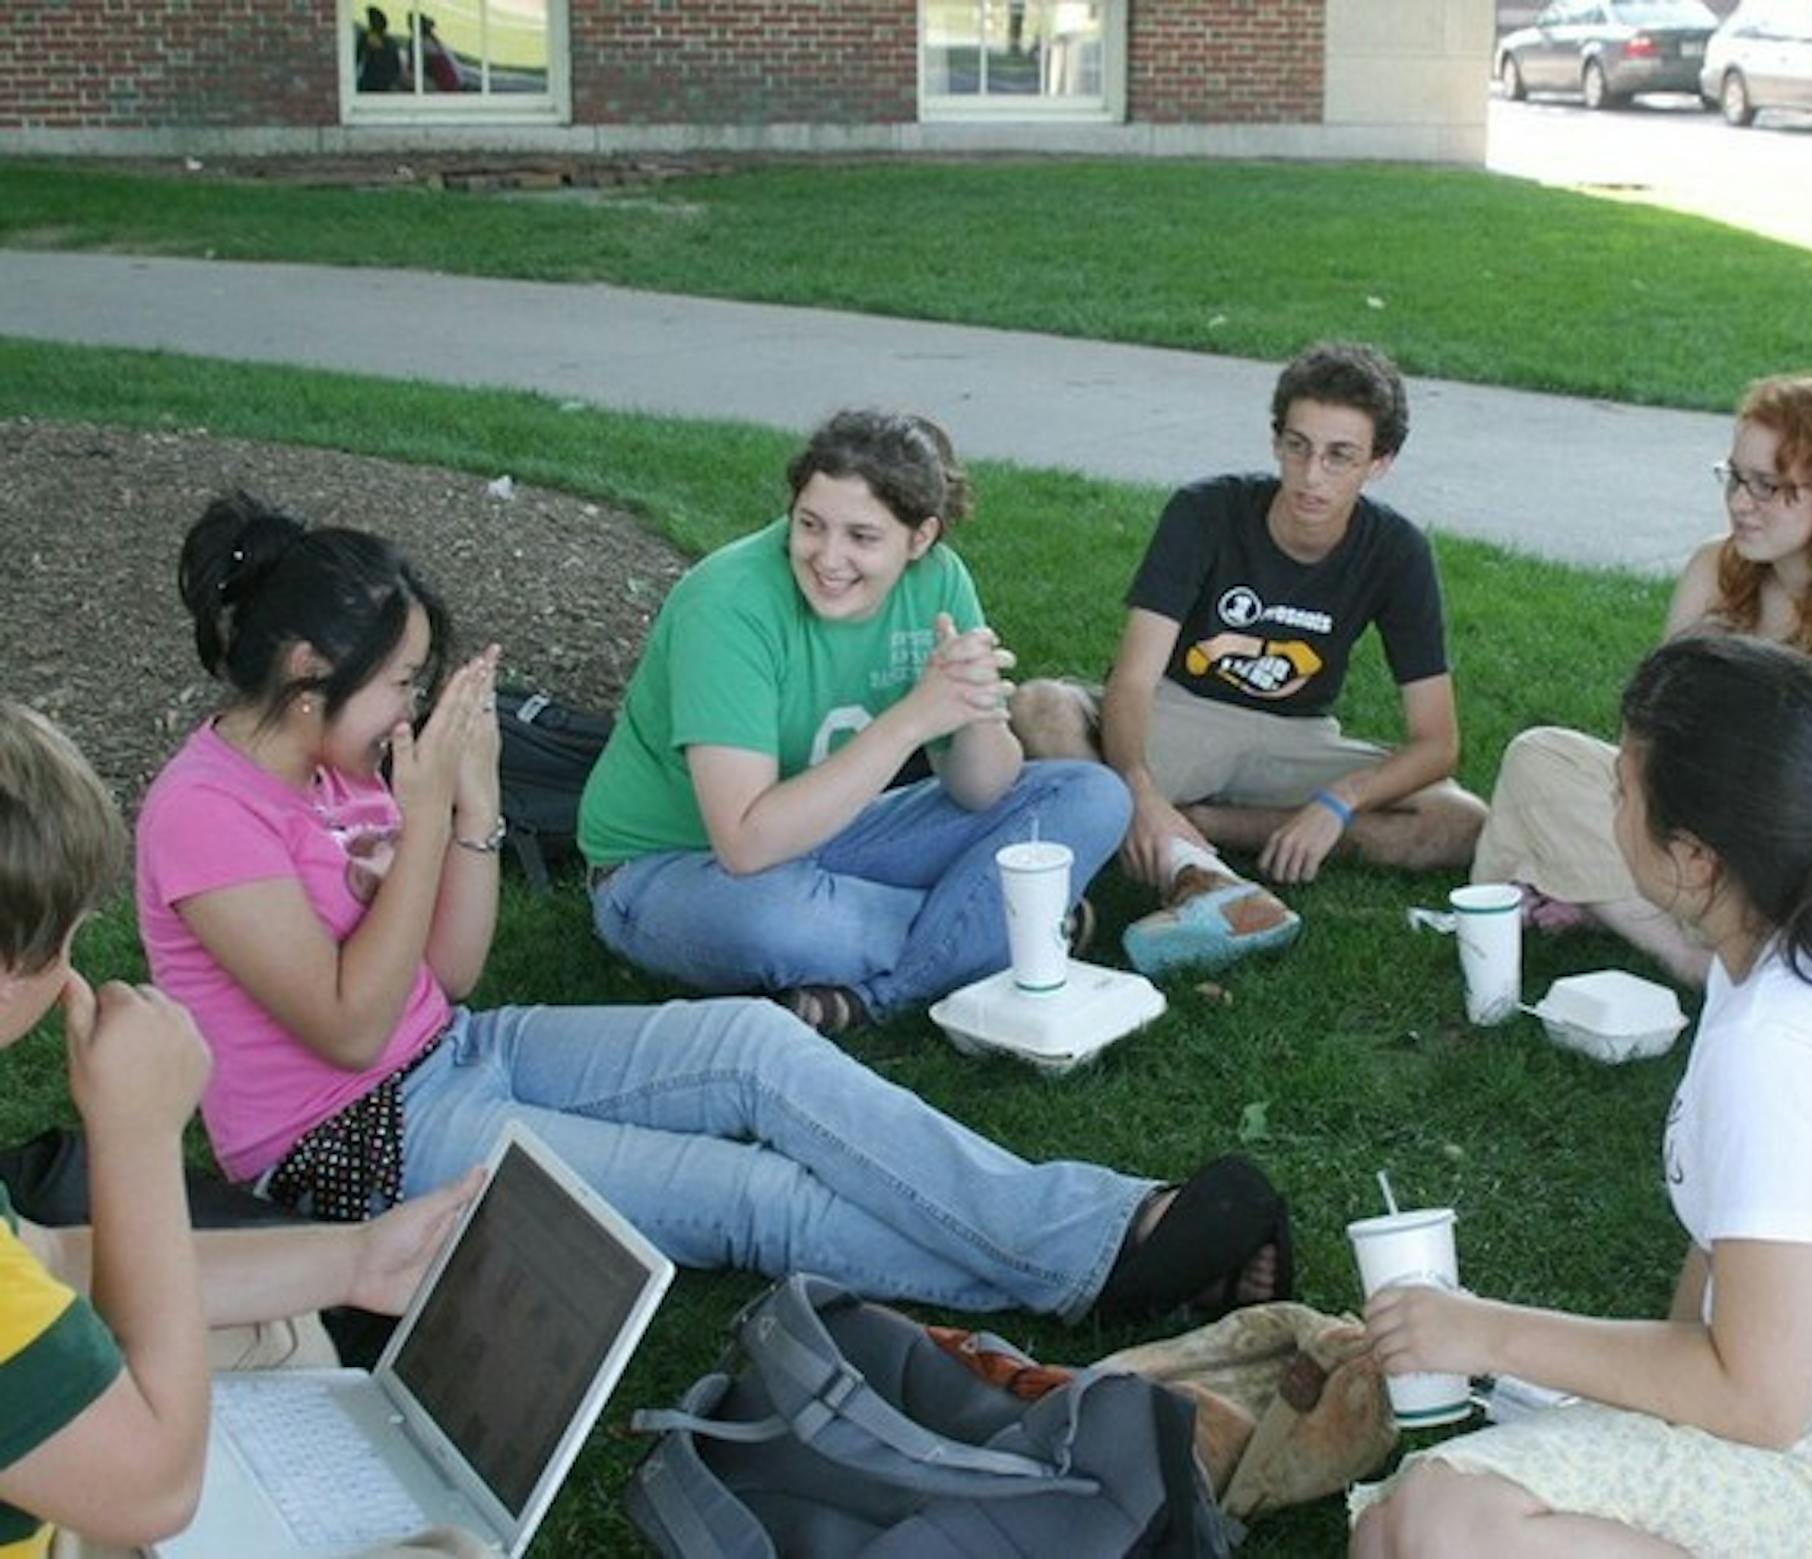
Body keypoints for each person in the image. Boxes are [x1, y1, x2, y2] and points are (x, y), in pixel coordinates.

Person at [132, 493, 1289, 1330]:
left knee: (754, 1042)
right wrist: (427, 812)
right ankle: (1111, 1257)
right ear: (301, 669)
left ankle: (1099, 1230)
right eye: (397, 683)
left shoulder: (341, 764)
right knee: (751, 1196)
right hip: (355, 1142)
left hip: (455, 1048)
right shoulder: (204, 815)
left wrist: (471, 806)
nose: (411, 706)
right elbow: (343, 1028)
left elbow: (456, 973)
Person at [1351, 635, 1812, 1556]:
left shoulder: (1793, 1040)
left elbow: (1760, 1398)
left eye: (1621, 789)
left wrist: (1484, 1333)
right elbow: (1725, 1257)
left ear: (1694, 857)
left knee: (1447, 1528)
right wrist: (1641, 1399)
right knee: (1391, 1534)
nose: (1608, 805)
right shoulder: (1789, 954)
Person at [0, 701, 480, 1558]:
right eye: (66, 945)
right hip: (117, 1499)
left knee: (283, 1329)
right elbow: (154, 1491)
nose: (72, 969)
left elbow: (44, 1260)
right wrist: (137, 1137)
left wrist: (356, 1258)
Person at [579, 410, 1132, 1037]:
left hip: (836, 836)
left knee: (1090, 793)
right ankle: (1013, 927)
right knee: (777, 923)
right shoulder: (729, 605)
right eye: (810, 525)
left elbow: (979, 791)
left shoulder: (939, 579)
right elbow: (744, 843)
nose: (828, 558)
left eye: (862, 538)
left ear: (919, 539)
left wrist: (972, 708)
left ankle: (881, 994)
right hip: (675, 869)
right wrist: (910, 720)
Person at [1473, 374, 1812, 984]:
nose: (1740, 502)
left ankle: (1660, 927)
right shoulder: (1717, 567)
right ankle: (1694, 943)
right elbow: (1648, 739)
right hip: (1717, 839)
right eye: (1734, 477)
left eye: (1769, 487)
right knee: (1541, 760)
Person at [1010, 342, 1487, 978]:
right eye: (1298, 446)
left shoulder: (1397, 551)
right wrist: (1141, 790)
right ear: (1276, 442)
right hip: (1183, 716)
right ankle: (1192, 868)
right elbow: (1130, 681)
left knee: (1461, 822)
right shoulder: (1205, 511)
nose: (1312, 475)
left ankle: (1204, 832)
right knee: (1037, 706)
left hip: (1296, 738)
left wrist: (1337, 804)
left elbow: (1437, 742)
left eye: (1340, 455)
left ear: (1381, 463)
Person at [354, 6, 405, 93]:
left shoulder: (388, 42)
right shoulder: (367, 37)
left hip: (380, 81)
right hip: (372, 80)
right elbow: (356, 58)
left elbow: (395, 65)